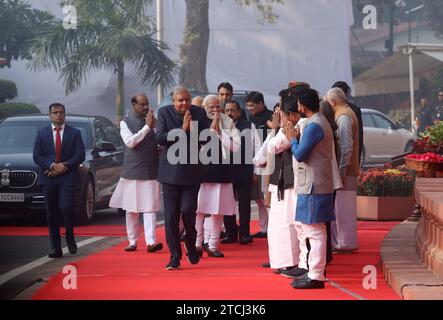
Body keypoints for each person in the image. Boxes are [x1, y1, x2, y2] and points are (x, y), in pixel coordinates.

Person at [285, 88, 336, 289]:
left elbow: (300, 154)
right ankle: (314, 273)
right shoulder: (318, 121)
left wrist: (292, 139)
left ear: (301, 106)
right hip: (314, 183)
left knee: (314, 231)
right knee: (313, 230)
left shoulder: (315, 125)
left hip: (314, 184)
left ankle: (316, 275)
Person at [156, 86, 209, 270]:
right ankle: (174, 256)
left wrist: (192, 131)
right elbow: (160, 138)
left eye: (187, 99)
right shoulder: (164, 113)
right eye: (180, 100)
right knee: (170, 217)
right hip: (169, 173)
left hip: (191, 172)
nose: (184, 103)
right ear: (173, 101)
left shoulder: (199, 113)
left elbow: (206, 138)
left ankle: (190, 243)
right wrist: (181, 130)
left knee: (188, 211)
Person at [254, 95, 305, 274]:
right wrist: (276, 129)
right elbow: (260, 157)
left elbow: (272, 148)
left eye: (280, 113)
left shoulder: (293, 128)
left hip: (291, 183)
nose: (278, 115)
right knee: (277, 225)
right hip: (280, 182)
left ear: (290, 114)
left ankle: (292, 262)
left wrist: (277, 130)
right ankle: (281, 260)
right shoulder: (282, 129)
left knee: (289, 224)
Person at [109, 93, 163, 253]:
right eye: (142, 104)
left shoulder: (155, 122)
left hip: (151, 170)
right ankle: (132, 241)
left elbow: (161, 139)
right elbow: (130, 142)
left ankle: (151, 241)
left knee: (150, 208)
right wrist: (147, 127)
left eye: (147, 104)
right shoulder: (125, 123)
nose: (146, 107)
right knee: (131, 209)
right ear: (134, 105)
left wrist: (154, 130)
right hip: (132, 170)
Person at [33, 103, 85, 258]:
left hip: (67, 176)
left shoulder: (74, 133)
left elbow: (80, 154)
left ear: (65, 114)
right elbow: (37, 156)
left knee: (66, 207)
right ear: (50, 115)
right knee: (51, 213)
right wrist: (52, 166)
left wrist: (65, 166)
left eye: (61, 112)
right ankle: (56, 248)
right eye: (55, 113)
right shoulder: (41, 134)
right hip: (48, 176)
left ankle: (70, 237)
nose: (58, 115)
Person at [195, 95, 240, 257]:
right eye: (211, 107)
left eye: (217, 107)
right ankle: (197, 243)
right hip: (201, 171)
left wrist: (220, 134)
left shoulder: (227, 121)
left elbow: (236, 147)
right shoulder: (198, 120)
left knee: (218, 210)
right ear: (204, 108)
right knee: (198, 210)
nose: (215, 111)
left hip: (222, 171)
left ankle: (213, 245)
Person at [222, 100, 260, 245]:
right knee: (227, 204)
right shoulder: (220, 126)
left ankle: (244, 234)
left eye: (232, 110)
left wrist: (256, 171)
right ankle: (231, 233)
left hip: (244, 170)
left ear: (239, 111)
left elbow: (257, 148)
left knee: (244, 205)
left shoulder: (249, 126)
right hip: (225, 171)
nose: (229, 113)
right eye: (227, 110)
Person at [327, 88, 360, 253]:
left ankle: (344, 244)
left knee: (343, 211)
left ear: (332, 101)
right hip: (346, 170)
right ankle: (343, 242)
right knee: (341, 210)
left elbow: (346, 148)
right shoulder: (345, 113)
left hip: (345, 171)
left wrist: (341, 171)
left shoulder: (344, 117)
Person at [246, 91, 273, 238]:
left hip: (269, 162)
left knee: (266, 196)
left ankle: (271, 227)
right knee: (258, 197)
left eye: (253, 105)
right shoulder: (249, 119)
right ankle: (264, 227)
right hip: (254, 162)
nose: (250, 108)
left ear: (261, 104)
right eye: (248, 106)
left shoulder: (270, 117)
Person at [332, 81, 363, 164]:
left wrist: (357, 159)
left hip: (346, 156)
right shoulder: (330, 109)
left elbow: (358, 136)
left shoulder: (354, 110)